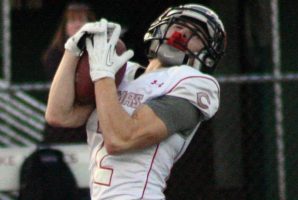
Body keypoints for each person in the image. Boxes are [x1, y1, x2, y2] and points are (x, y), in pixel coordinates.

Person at [45, 3, 226, 200]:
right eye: (179, 26)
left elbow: (121, 139)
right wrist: (72, 50)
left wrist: (102, 74)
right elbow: (59, 115)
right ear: (160, 27)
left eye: (197, 36)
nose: (182, 35)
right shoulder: (121, 72)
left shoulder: (192, 82)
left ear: (206, 56)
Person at [42, 1, 96, 144]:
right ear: (65, 27)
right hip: (62, 125)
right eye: (72, 20)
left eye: (81, 20)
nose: (77, 25)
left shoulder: (99, 52)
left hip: (91, 122)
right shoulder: (54, 54)